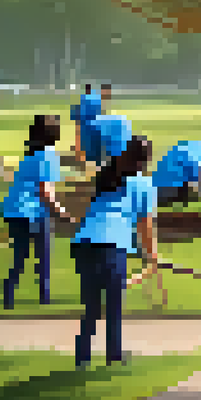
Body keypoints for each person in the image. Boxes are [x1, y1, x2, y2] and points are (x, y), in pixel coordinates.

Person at [71, 134, 158, 369]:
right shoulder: (144, 184)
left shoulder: (106, 177)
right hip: (111, 244)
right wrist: (152, 256)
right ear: (145, 160)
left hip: (84, 242)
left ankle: (82, 357)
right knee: (113, 303)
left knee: (91, 304)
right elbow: (145, 225)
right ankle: (114, 354)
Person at [1, 114, 72, 308]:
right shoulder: (49, 155)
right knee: (43, 257)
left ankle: (9, 297)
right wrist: (63, 213)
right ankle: (44, 299)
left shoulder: (31, 154)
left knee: (19, 258)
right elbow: (45, 191)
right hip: (32, 212)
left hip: (15, 211)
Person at [153, 140, 201, 208]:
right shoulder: (199, 156)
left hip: (157, 190)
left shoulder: (181, 148)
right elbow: (200, 180)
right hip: (172, 191)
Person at [70, 84, 104, 167]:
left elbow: (78, 117)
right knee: (95, 147)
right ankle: (97, 163)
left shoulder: (84, 101)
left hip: (85, 128)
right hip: (95, 127)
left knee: (86, 146)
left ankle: (86, 162)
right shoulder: (96, 100)